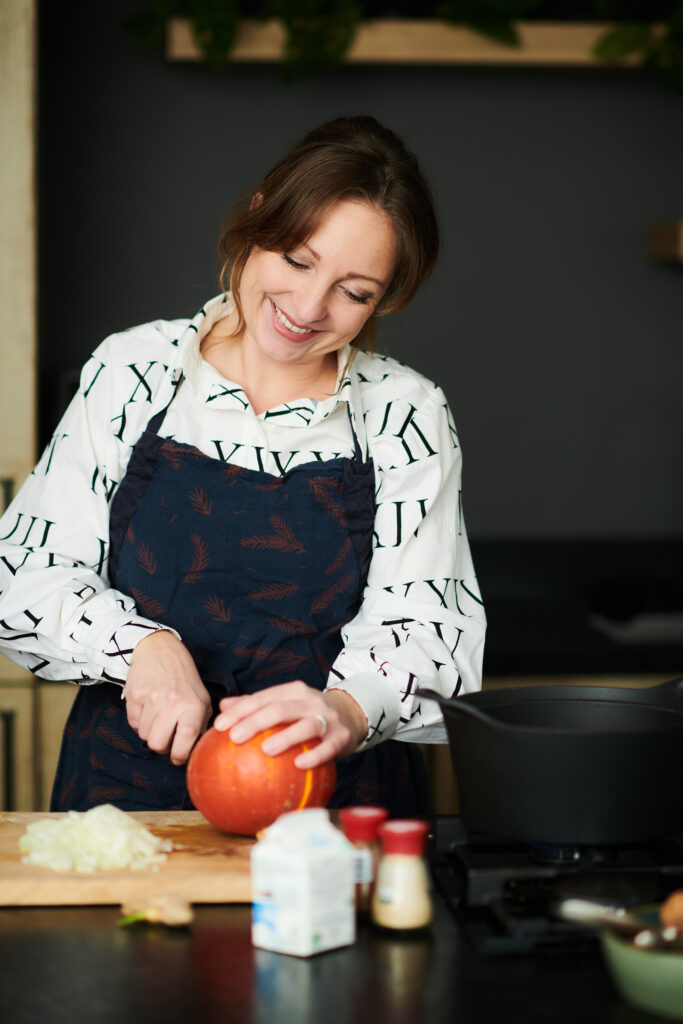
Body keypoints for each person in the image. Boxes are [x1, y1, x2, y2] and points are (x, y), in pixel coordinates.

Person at [0, 115, 485, 817]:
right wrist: (144, 648)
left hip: (338, 805)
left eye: (354, 292)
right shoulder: (135, 371)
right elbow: (24, 576)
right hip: (126, 800)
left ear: (386, 298)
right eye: (297, 260)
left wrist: (345, 711)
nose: (308, 309)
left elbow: (431, 632)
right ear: (259, 216)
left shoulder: (404, 412)